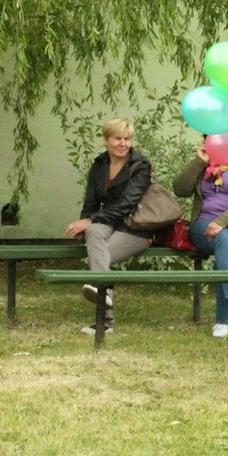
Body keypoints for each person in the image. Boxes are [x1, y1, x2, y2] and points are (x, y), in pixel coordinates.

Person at [67, 117, 152, 334]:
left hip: (136, 227)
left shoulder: (140, 166)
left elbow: (126, 205)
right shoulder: (100, 165)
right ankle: (104, 317)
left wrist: (91, 220)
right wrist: (84, 226)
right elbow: (91, 203)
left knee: (99, 258)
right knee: (94, 234)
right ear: (106, 140)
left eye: (127, 139)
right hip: (107, 222)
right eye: (118, 139)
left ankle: (104, 322)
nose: (123, 144)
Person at [172, 139, 228, 338]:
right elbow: (180, 189)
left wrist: (222, 221)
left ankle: (225, 321)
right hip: (201, 225)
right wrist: (199, 162)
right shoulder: (203, 162)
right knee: (224, 240)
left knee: (225, 241)